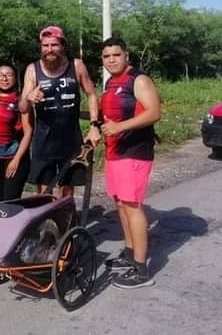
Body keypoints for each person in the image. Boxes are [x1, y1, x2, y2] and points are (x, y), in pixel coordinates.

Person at [99, 36, 161, 289]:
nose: (111, 59)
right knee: (121, 205)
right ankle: (129, 250)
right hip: (115, 152)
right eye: (106, 56)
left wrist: (119, 128)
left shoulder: (139, 79)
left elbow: (154, 112)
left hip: (134, 152)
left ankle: (141, 268)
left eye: (116, 55)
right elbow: (108, 117)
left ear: (127, 56)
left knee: (133, 206)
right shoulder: (112, 82)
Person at [19, 25, 101, 197]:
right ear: (41, 48)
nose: (50, 49)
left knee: (67, 189)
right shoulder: (32, 70)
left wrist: (94, 126)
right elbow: (23, 108)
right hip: (44, 140)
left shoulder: (76, 65)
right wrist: (28, 97)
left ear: (62, 45)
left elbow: (92, 95)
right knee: (44, 191)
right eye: (45, 45)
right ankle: (46, 221)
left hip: (70, 139)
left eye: (54, 45)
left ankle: (67, 222)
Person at [0, 63, 33, 201]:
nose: (5, 78)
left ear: (15, 79)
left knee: (11, 201)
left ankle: (19, 222)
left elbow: (29, 132)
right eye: (1, 75)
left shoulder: (21, 101)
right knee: (1, 199)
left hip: (14, 155)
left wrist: (16, 160)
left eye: (9, 75)